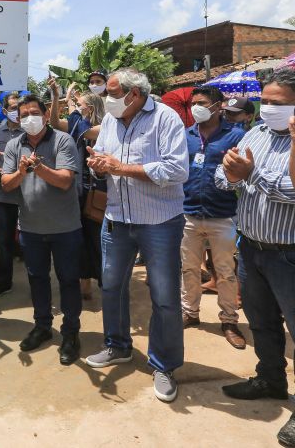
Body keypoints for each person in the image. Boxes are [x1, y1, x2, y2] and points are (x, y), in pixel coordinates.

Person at [84, 68, 189, 403]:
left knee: (164, 296)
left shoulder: (165, 118)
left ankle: (164, 365)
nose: (108, 99)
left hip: (159, 222)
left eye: (113, 94)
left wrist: (120, 168)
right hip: (116, 219)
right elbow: (104, 158)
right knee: (111, 287)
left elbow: (177, 170)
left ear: (135, 94)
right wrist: (98, 165)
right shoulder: (111, 121)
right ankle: (118, 346)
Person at [217, 67, 295, 447]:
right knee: (261, 323)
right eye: (264, 101)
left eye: (277, 103)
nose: (268, 109)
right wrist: (233, 175)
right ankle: (270, 379)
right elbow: (223, 176)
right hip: (251, 248)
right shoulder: (255, 133)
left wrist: (251, 175)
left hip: (288, 254)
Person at [1, 95, 83, 364]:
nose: (29, 119)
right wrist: (22, 172)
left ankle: (70, 333)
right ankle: (43, 326)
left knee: (68, 280)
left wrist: (38, 166)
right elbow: (6, 185)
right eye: (23, 115)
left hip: (65, 228)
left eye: (34, 113)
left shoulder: (62, 140)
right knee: (37, 279)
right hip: (31, 228)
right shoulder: (14, 145)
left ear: (46, 115)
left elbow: (65, 180)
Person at [179, 86, 246, 348]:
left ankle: (229, 320)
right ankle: (190, 312)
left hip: (222, 213)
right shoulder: (186, 135)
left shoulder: (236, 136)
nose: (196, 108)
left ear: (218, 106)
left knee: (226, 271)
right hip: (189, 212)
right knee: (189, 268)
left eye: (202, 103)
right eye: (193, 103)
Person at [50, 80, 106, 298]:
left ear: (90, 109)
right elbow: (55, 123)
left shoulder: (104, 127)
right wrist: (58, 99)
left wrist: (72, 107)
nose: (75, 108)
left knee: (98, 240)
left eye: (80, 105)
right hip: (79, 192)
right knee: (79, 239)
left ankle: (106, 284)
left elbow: (85, 131)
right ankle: (85, 283)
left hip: (99, 193)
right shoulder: (76, 124)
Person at [0, 92, 24, 299]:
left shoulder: (30, 131)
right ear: (4, 110)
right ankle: (4, 281)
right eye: (13, 108)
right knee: (5, 240)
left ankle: (37, 281)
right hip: (5, 194)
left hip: (29, 194)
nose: (17, 112)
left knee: (33, 240)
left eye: (19, 107)